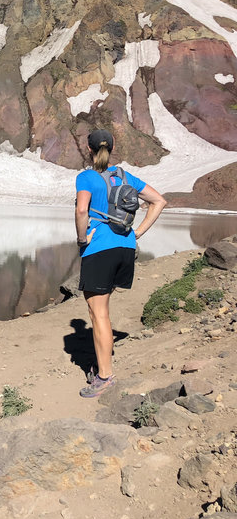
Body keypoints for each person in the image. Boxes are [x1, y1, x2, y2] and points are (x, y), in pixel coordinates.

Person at [74, 128, 166, 398]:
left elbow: (81, 210)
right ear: (111, 148)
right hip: (125, 249)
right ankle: (102, 363)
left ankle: (105, 376)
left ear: (89, 149)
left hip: (100, 248)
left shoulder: (87, 177)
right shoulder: (126, 177)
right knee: (101, 310)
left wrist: (82, 239)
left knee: (97, 313)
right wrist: (137, 233)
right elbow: (159, 201)